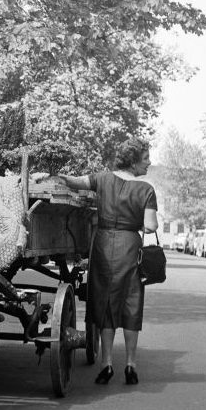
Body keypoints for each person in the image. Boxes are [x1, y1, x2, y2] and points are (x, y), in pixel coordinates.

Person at [55, 137, 158, 386]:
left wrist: (56, 176)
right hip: (131, 249)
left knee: (104, 303)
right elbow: (150, 225)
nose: (149, 162)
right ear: (133, 162)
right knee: (131, 303)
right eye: (145, 158)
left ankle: (107, 364)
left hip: (102, 246)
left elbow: (77, 182)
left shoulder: (102, 179)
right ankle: (131, 365)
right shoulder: (146, 190)